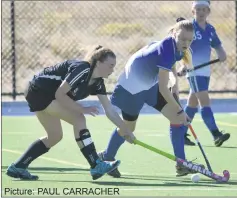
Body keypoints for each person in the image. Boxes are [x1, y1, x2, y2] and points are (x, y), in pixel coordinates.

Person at [6, 45, 135, 181]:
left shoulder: (98, 83)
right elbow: (60, 94)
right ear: (98, 62)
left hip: (41, 94)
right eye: (110, 65)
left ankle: (19, 166)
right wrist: (82, 109)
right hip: (39, 91)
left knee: (55, 136)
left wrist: (126, 131)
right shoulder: (83, 69)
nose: (113, 70)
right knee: (78, 118)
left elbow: (110, 111)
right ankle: (96, 164)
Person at [98, 20, 204, 178]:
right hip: (131, 88)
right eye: (182, 39)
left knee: (176, 118)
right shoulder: (167, 49)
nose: (186, 43)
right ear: (174, 34)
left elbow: (170, 64)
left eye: (190, 40)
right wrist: (180, 110)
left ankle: (181, 164)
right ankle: (107, 157)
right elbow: (163, 87)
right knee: (128, 128)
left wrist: (174, 82)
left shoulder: (179, 47)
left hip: (149, 84)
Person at [177, 1, 230, 146]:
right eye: (197, 9)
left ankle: (180, 134)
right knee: (204, 101)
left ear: (208, 12)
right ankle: (216, 134)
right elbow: (182, 48)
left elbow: (217, 45)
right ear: (193, 11)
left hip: (205, 71)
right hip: (194, 71)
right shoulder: (189, 28)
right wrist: (183, 65)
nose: (201, 12)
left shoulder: (211, 29)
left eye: (203, 9)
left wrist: (222, 54)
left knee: (192, 103)